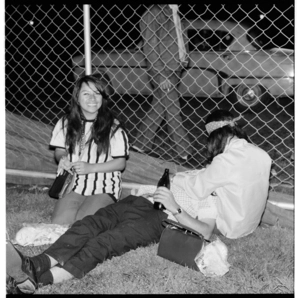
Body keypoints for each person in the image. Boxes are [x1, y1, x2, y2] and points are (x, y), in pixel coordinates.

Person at [6, 109, 271, 294]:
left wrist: (175, 206)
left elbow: (206, 231)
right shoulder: (210, 170)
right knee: (91, 223)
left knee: (109, 241)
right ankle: (35, 264)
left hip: (164, 218)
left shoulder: (214, 188)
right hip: (141, 200)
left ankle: (39, 280)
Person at [49, 72, 129, 225]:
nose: (92, 99)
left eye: (97, 94)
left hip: (104, 185)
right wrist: (63, 159)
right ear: (77, 97)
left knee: (83, 223)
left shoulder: (114, 127)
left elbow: (120, 163)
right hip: (75, 183)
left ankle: (110, 209)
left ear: (103, 98)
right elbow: (59, 151)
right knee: (59, 223)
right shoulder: (65, 122)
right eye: (86, 94)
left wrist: (91, 167)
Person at [131, 5, 192, 163]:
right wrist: (160, 74)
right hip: (163, 70)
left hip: (175, 67)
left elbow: (180, 38)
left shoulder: (175, 13)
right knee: (173, 109)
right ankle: (184, 151)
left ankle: (140, 144)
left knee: (158, 108)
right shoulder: (153, 13)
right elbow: (149, 46)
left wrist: (184, 56)